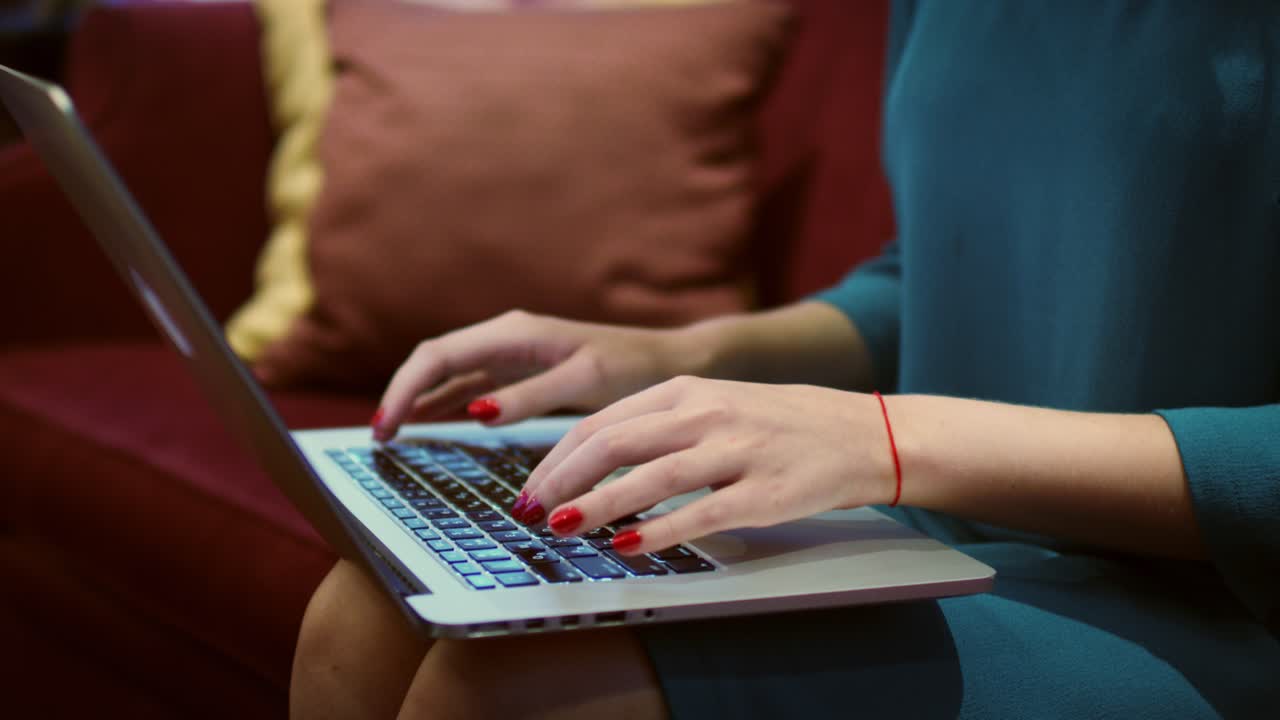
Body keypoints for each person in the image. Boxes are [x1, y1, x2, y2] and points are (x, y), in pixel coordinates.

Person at [289, 2, 1280, 718]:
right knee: (368, 606)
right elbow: (932, 278)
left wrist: (890, 439)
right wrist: (677, 354)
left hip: (1217, 599)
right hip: (948, 536)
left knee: (525, 685)